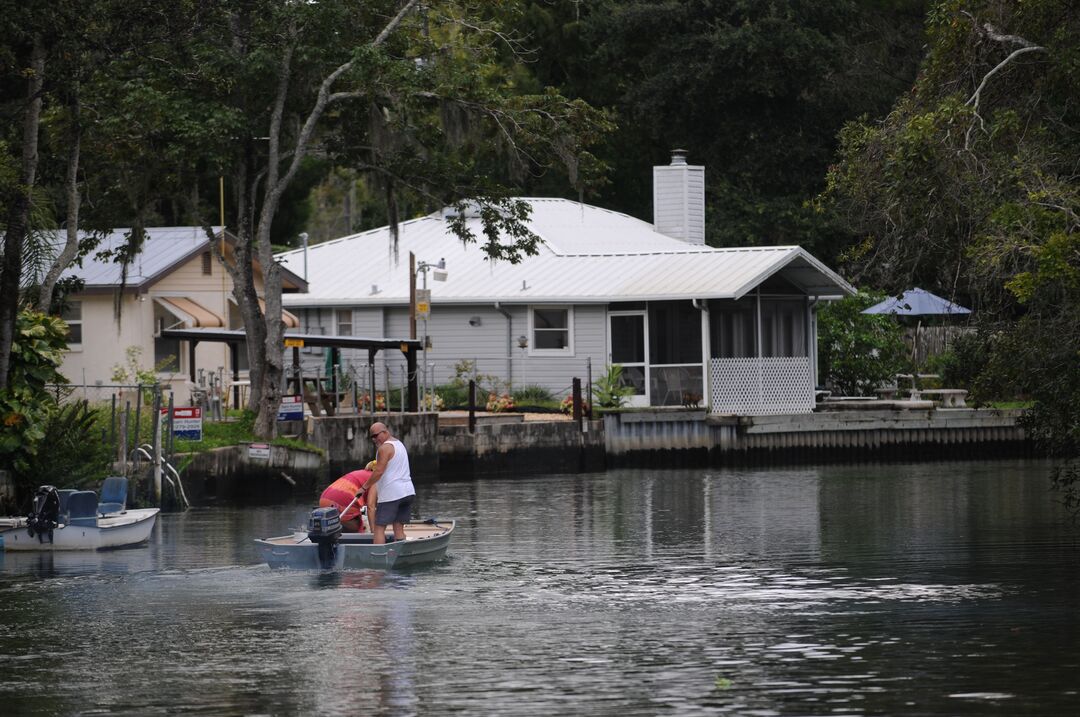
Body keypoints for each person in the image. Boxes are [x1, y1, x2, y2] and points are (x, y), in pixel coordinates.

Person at [361, 422, 416, 544]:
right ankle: (400, 554)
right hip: (407, 493)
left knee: (379, 528)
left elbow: (379, 471)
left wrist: (364, 487)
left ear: (385, 432)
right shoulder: (399, 444)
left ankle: (378, 557)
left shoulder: (384, 448)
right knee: (398, 527)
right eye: (372, 437)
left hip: (391, 495)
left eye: (376, 435)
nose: (374, 439)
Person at [318, 467, 371, 532]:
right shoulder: (375, 478)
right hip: (341, 501)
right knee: (359, 527)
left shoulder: (362, 472)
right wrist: (374, 530)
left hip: (324, 498)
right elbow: (371, 506)